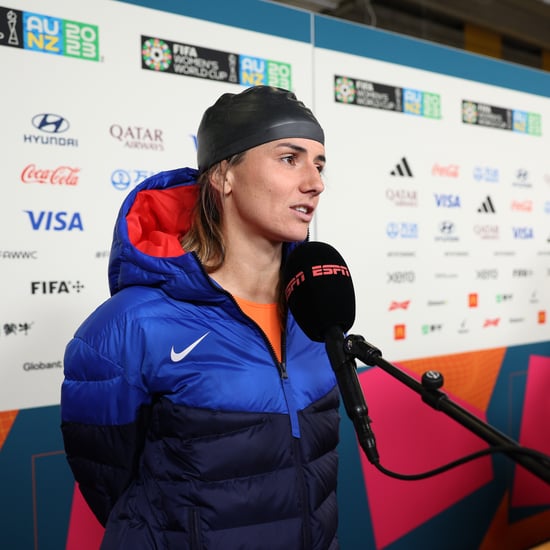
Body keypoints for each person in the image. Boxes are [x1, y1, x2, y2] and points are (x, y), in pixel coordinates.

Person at [61, 85, 340, 550]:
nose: (315, 182)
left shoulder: (315, 309)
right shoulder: (130, 326)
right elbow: (113, 486)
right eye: (289, 158)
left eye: (319, 163)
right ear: (224, 176)